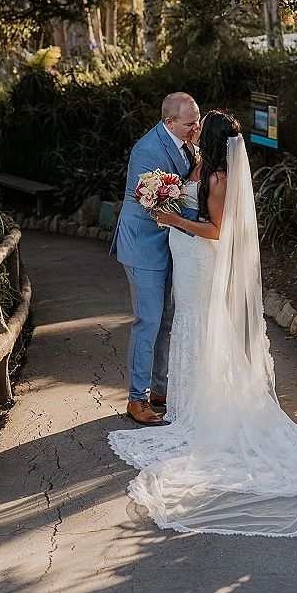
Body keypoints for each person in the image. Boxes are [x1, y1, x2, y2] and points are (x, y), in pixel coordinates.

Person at [108, 111, 297, 536]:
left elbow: (218, 231)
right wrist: (165, 201)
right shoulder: (198, 165)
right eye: (194, 123)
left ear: (216, 139)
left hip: (199, 260)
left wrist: (173, 220)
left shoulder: (219, 178)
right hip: (183, 258)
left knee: (199, 326)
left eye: (204, 126)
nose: (197, 130)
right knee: (186, 325)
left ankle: (204, 405)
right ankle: (184, 401)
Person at [110, 92, 200, 426]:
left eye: (196, 120)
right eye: (190, 123)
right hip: (144, 246)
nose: (196, 127)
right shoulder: (147, 149)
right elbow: (157, 204)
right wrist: (208, 222)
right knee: (147, 320)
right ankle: (137, 399)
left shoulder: (189, 141)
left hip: (173, 246)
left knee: (167, 320)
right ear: (169, 122)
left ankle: (161, 388)